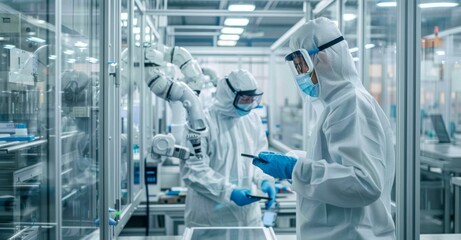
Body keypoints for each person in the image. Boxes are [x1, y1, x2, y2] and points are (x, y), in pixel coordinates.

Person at [252, 17, 396, 239]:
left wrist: (294, 169)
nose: (300, 74)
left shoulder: (351, 104)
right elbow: (338, 166)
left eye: (302, 64)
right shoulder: (335, 104)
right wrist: (296, 159)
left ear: (324, 59)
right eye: (297, 66)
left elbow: (364, 183)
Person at [180, 69, 276, 231]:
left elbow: (260, 158)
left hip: (248, 219)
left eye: (253, 99)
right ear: (228, 96)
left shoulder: (253, 120)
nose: (250, 104)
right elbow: (193, 170)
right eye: (245, 99)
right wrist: (229, 192)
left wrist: (264, 180)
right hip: (210, 222)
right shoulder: (201, 123)